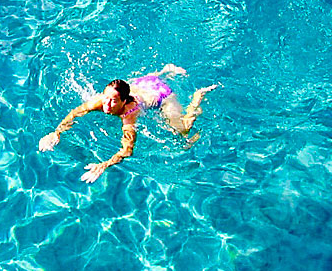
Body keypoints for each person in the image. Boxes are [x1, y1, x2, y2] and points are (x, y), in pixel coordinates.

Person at [38, 65, 218, 183]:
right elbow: (74, 113)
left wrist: (104, 165)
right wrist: (57, 132)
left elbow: (127, 150)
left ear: (124, 101)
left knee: (183, 131)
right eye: (106, 99)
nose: (107, 106)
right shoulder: (100, 101)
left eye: (113, 102)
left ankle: (197, 97)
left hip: (162, 95)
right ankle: (165, 70)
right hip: (144, 82)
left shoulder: (129, 114)